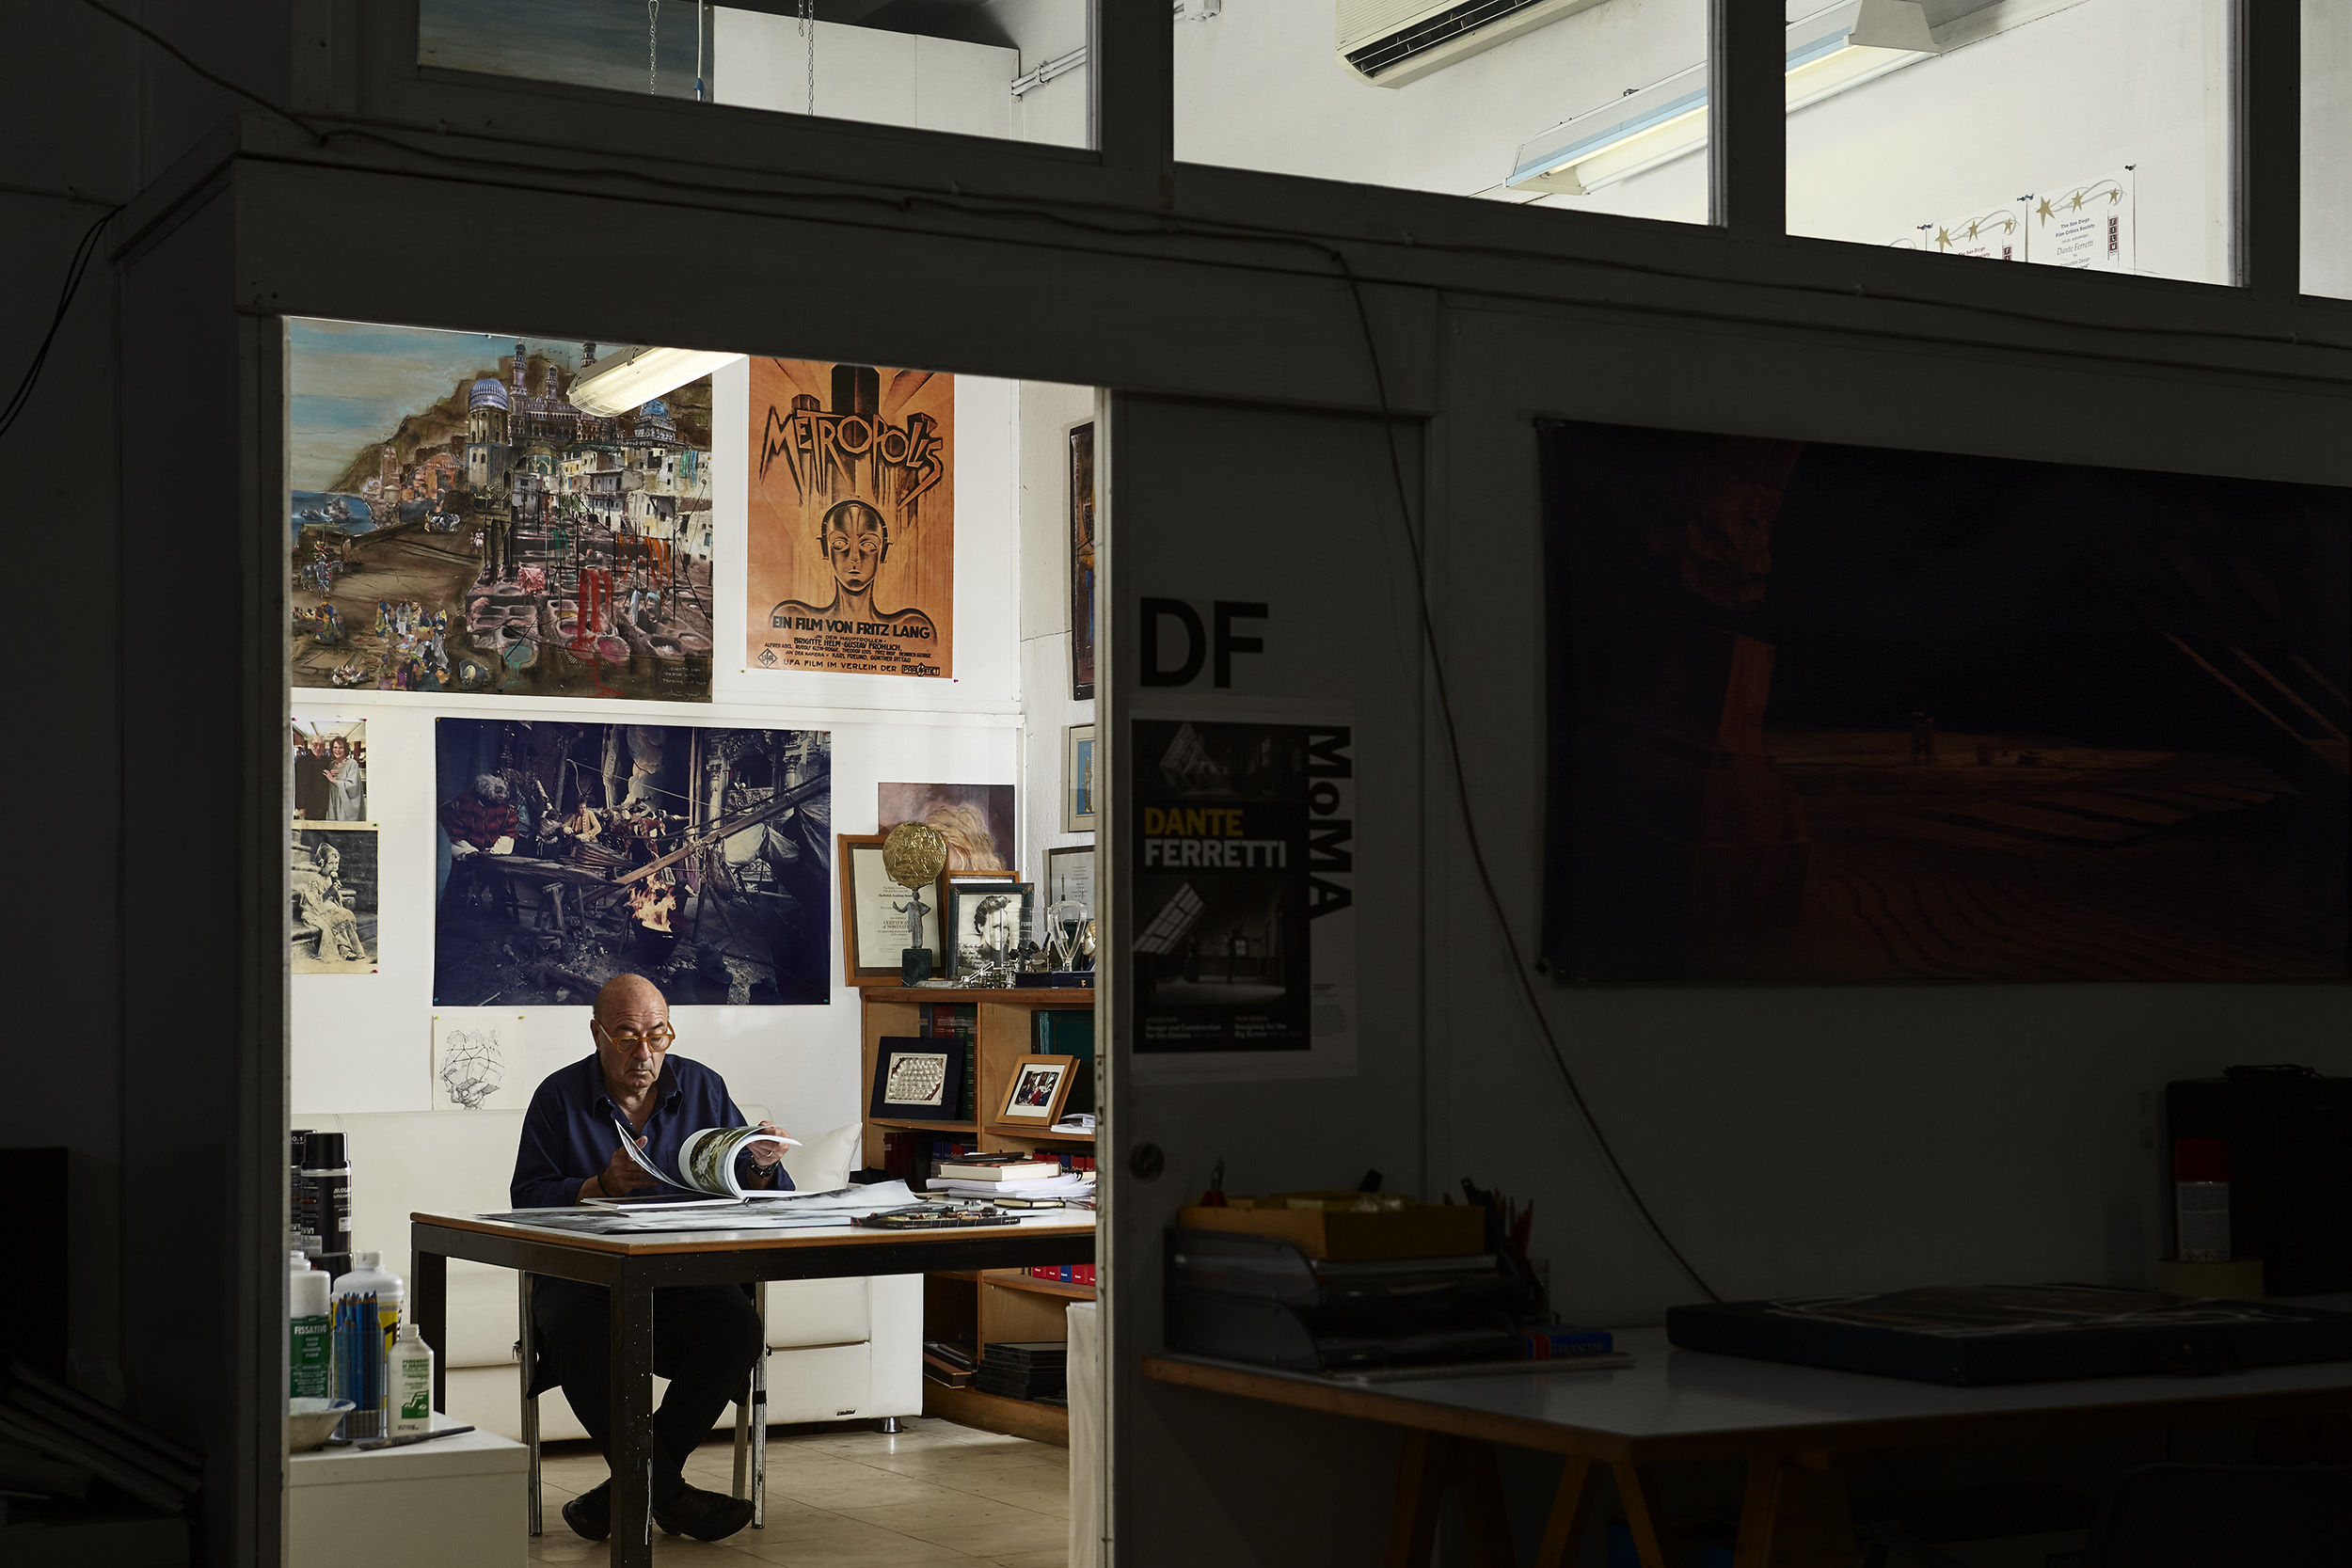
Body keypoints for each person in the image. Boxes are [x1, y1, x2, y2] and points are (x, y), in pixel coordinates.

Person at [509, 975, 790, 1544]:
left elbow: (767, 1192)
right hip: (587, 1280)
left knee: (738, 1326)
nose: (645, 1053)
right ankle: (668, 1494)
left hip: (683, 1276)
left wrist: (759, 1162)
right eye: (628, 1037)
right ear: (597, 1034)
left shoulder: (704, 1088)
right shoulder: (557, 1097)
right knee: (567, 1323)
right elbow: (526, 1196)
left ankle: (629, 1492)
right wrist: (595, 1185)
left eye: (658, 1036)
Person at [325, 735, 366, 820]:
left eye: (341, 747)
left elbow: (353, 786)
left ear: (345, 749)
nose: (337, 750)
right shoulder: (331, 764)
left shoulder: (352, 764)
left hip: (346, 805)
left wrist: (334, 780)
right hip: (333, 803)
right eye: (335, 747)